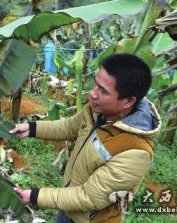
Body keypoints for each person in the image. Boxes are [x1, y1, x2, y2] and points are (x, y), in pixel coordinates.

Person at [10, 53, 161, 223]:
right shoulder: (98, 111)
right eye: (96, 84)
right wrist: (31, 128)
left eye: (103, 91)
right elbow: (69, 127)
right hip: (67, 207)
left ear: (128, 101)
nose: (93, 94)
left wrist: (36, 196)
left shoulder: (135, 151)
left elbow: (89, 197)